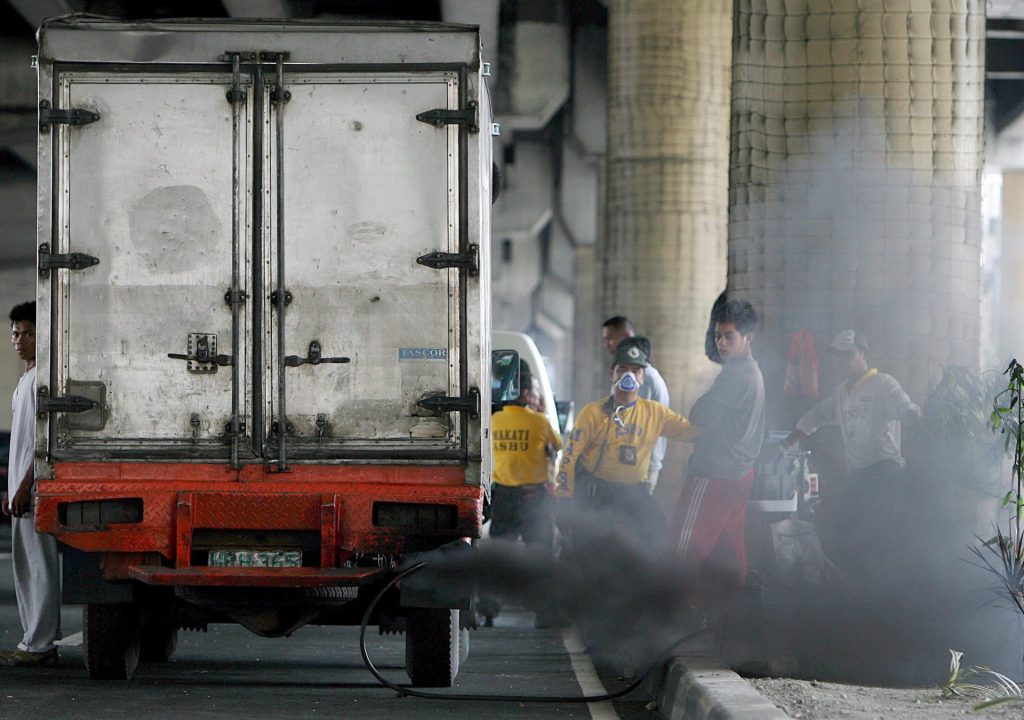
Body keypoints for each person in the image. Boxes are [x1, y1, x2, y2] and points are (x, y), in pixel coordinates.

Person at [783, 330, 921, 574]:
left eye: (847, 354)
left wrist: (914, 417)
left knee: (879, 538)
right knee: (846, 535)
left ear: (863, 354)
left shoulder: (883, 384)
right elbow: (817, 415)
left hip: (885, 472)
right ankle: (856, 591)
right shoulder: (842, 393)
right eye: (837, 355)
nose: (841, 360)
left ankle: (883, 594)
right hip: (858, 475)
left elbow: (906, 408)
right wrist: (787, 442)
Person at [669, 299, 765, 611]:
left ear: (748, 338)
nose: (721, 343)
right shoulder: (749, 372)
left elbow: (699, 413)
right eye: (718, 336)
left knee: (684, 546)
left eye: (729, 337)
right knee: (729, 550)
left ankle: (682, 614)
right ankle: (731, 617)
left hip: (716, 473)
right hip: (738, 473)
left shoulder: (738, 377)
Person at [557, 342, 699, 548]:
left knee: (657, 537)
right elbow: (569, 457)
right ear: (612, 374)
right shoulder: (593, 413)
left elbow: (688, 431)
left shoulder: (656, 413)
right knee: (591, 550)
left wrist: (716, 427)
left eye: (636, 370)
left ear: (643, 377)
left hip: (634, 494)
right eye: (622, 369)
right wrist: (564, 499)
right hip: (598, 493)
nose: (628, 376)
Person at [0, 301, 61, 667]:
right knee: (26, 565)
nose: (20, 339)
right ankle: (32, 641)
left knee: (40, 565)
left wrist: (25, 486)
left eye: (28, 333)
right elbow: (21, 442)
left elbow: (43, 443)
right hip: (22, 489)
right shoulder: (25, 381)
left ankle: (40, 644)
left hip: (36, 488)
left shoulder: (43, 381)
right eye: (15, 333)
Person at [600, 317, 671, 493]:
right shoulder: (636, 375)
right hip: (634, 463)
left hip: (636, 465)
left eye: (610, 338)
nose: (607, 345)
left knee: (630, 517)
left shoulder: (643, 379)